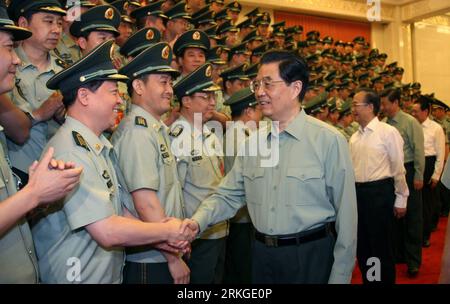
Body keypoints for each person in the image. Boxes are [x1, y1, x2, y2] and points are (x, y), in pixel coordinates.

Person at [181, 50, 358, 284]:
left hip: (309, 256)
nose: (259, 92)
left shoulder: (328, 140)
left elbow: (347, 217)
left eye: (268, 84)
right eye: (257, 84)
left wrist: (341, 276)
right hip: (261, 256)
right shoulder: (252, 143)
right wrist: (196, 222)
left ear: (295, 88)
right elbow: (228, 195)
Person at [31, 40, 195, 284]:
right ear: (84, 96)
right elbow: (106, 231)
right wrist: (168, 231)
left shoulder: (96, 147)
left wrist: (168, 239)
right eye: (113, 92)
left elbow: (119, 212)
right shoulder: (71, 152)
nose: (120, 100)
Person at [111, 42, 189, 284]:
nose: (170, 89)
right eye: (163, 82)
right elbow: (145, 203)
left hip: (160, 252)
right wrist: (173, 257)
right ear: (138, 86)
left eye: (170, 82)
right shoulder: (138, 132)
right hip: (150, 258)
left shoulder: (154, 129)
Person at [170, 63, 228, 284]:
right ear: (186, 101)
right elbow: (175, 194)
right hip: (195, 237)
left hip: (219, 230)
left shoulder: (210, 135)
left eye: (213, 97)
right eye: (205, 97)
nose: (213, 102)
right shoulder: (177, 138)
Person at [349, 88, 408, 284]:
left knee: (381, 248)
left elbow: (398, 167)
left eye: (356, 105)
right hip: (359, 195)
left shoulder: (387, 132)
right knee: (364, 248)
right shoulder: (354, 137)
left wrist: (402, 197)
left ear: (371, 107)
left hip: (380, 194)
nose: (352, 109)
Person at [6, 0, 68, 186]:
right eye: (48, 21)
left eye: (59, 23)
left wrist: (65, 115)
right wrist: (40, 113)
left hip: (57, 169)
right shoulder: (7, 66)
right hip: (16, 172)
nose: (56, 29)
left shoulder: (66, 71)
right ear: (23, 24)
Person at [381, 88, 425, 277]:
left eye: (386, 104)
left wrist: (419, 175)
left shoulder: (409, 122)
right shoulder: (383, 124)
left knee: (412, 219)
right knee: (395, 218)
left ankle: (413, 261)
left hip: (408, 172)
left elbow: (418, 150)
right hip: (390, 175)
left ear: (396, 103)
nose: (382, 107)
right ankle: (399, 255)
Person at [222, 87, 262, 284]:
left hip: (243, 214)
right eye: (258, 111)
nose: (260, 116)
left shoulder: (240, 134)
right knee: (241, 270)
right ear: (249, 111)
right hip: (241, 215)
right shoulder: (239, 137)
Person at [410, 96, 445, 247]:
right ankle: (415, 235)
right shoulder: (411, 126)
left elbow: (441, 153)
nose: (413, 114)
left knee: (427, 205)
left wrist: (436, 175)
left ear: (425, 111)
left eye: (416, 111)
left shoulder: (435, 128)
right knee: (415, 204)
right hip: (415, 164)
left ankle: (425, 235)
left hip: (429, 165)